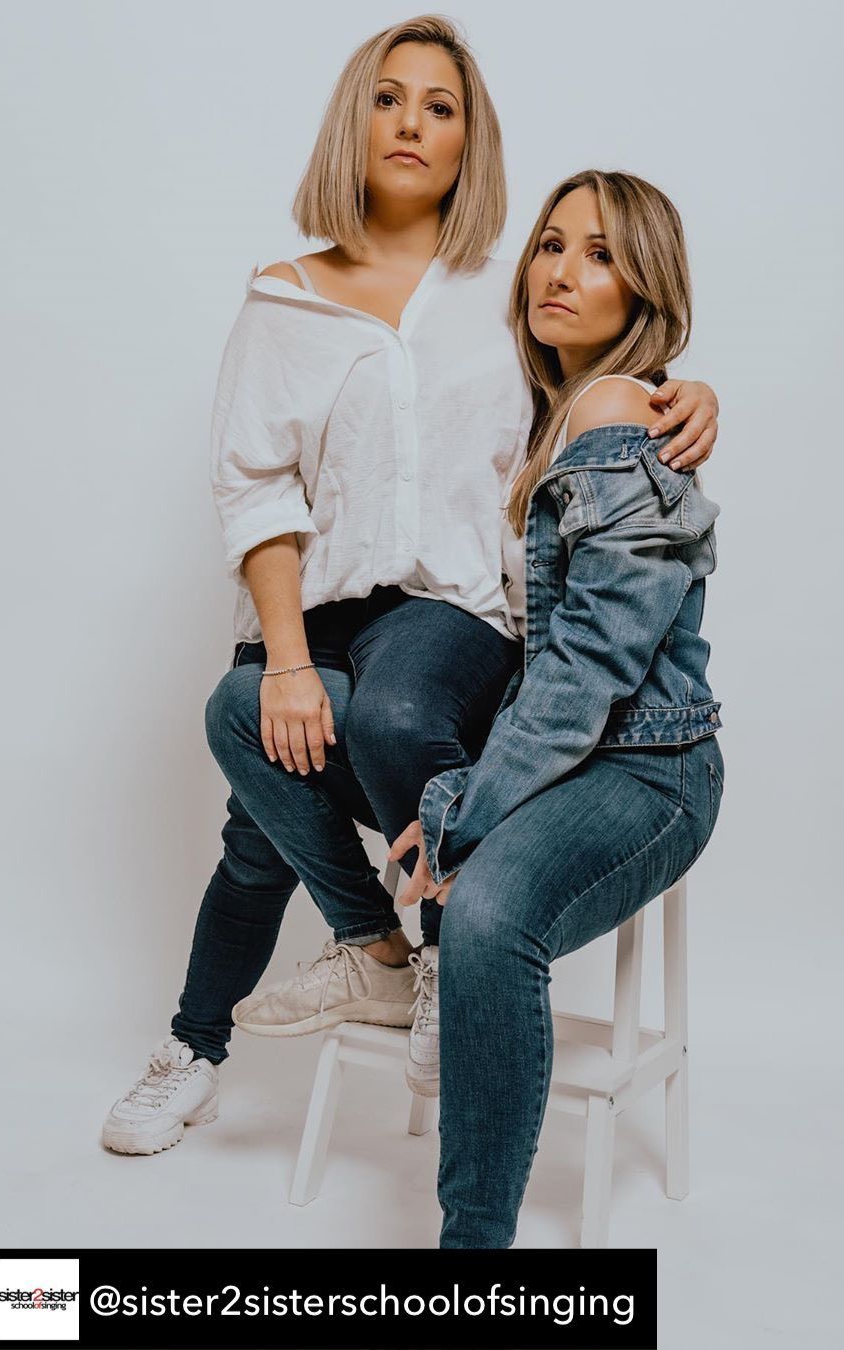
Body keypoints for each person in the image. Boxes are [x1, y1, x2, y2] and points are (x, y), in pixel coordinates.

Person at [101, 16, 718, 1156]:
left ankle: (434, 958)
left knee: (392, 713)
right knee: (253, 799)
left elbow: (592, 386)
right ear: (355, 117)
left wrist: (687, 389)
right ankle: (256, 1018)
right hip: (310, 614)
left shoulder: (503, 291)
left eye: (441, 107)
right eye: (390, 98)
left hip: (451, 613)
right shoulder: (283, 299)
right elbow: (254, 490)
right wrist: (287, 662)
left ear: (469, 139)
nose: (411, 124)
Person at [387, 169, 725, 1247]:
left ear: (645, 290)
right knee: (281, 719)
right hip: (570, 749)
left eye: (600, 255)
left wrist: (464, 815)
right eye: (551, 244)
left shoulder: (617, 412)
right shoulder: (553, 412)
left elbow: (588, 668)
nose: (561, 272)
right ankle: (375, 952)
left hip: (650, 767)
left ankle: (472, 1251)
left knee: (490, 916)